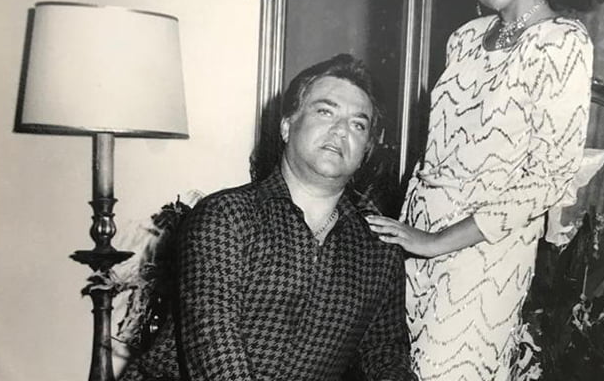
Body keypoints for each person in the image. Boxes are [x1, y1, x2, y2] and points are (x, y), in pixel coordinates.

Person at [366, 0, 602, 379]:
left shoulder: (563, 42)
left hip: (485, 254)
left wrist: (439, 241)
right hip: (418, 238)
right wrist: (416, 235)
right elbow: (438, 150)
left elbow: (549, 179)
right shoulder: (465, 39)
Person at [120, 54, 417, 381]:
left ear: (365, 152)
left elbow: (386, 356)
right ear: (287, 126)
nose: (341, 130)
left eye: (357, 124)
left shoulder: (380, 250)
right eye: (325, 112)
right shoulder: (226, 216)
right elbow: (214, 351)